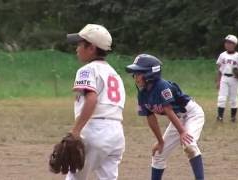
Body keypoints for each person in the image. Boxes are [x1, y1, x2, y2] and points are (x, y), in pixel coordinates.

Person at [126, 54, 205, 180]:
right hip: (177, 118)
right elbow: (150, 117)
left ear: (150, 74)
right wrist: (160, 141)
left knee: (189, 145)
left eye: (139, 73)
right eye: (134, 74)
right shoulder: (142, 94)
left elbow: (168, 110)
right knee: (158, 154)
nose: (135, 77)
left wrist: (183, 132)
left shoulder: (162, 86)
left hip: (192, 114)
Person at [66, 24, 126, 180]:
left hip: (95, 130)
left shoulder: (87, 70)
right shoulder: (115, 75)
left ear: (91, 48)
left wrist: (76, 131)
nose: (77, 49)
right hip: (117, 134)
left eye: (80, 44)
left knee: (75, 177)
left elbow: (91, 98)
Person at [216, 35, 238, 122]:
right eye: (226, 42)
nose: (227, 44)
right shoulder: (222, 55)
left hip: (235, 79)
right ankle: (220, 117)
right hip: (224, 78)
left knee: (233, 98)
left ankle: (233, 117)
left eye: (230, 43)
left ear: (234, 44)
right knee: (221, 98)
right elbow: (219, 69)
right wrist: (218, 81)